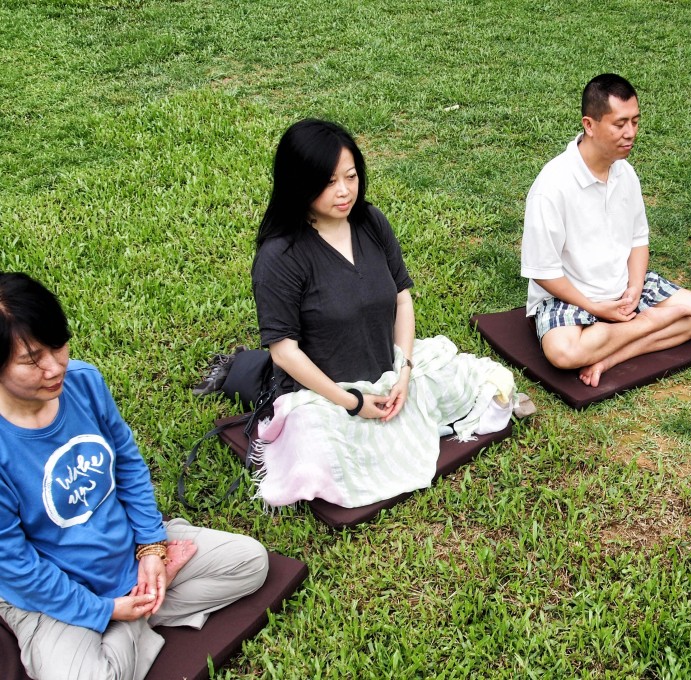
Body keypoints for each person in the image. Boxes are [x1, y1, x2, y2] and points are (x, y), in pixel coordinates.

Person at [0, 272, 269, 680]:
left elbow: (126, 462)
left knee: (250, 564)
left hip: (126, 552)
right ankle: (136, 619)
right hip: (55, 592)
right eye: (32, 359)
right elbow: (17, 565)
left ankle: (134, 616)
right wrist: (105, 610)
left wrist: (151, 547)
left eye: (59, 345)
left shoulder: (83, 382)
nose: (55, 366)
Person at [251, 119, 514, 508]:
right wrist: (352, 402)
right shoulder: (280, 256)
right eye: (327, 182)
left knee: (490, 391)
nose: (344, 192)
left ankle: (406, 417)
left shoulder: (370, 222)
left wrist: (404, 372)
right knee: (315, 460)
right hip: (325, 393)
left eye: (351, 176)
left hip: (389, 370)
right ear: (298, 184)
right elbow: (284, 351)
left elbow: (402, 300)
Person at [520, 73, 691, 387]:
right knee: (563, 353)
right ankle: (652, 323)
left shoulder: (626, 174)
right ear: (589, 125)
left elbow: (638, 239)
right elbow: (543, 272)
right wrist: (596, 307)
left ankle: (610, 356)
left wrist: (635, 288)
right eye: (620, 124)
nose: (630, 133)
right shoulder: (551, 186)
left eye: (635, 122)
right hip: (572, 296)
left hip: (622, 289)